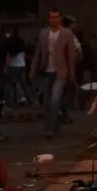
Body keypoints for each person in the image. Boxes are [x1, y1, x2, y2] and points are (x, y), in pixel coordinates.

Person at [30, 9, 78, 137]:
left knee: (55, 99)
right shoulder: (43, 33)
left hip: (61, 71)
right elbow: (38, 53)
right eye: (51, 17)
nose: (54, 19)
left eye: (56, 17)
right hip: (46, 70)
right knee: (46, 101)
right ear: (48, 18)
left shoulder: (67, 33)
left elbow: (70, 55)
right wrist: (32, 71)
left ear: (60, 18)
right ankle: (54, 125)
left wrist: (71, 73)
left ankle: (49, 129)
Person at [0, 26, 30, 107]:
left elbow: (8, 54)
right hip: (22, 65)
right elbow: (24, 53)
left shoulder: (9, 41)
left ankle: (8, 102)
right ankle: (30, 101)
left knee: (8, 84)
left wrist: (6, 66)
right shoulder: (21, 41)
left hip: (13, 65)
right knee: (24, 84)